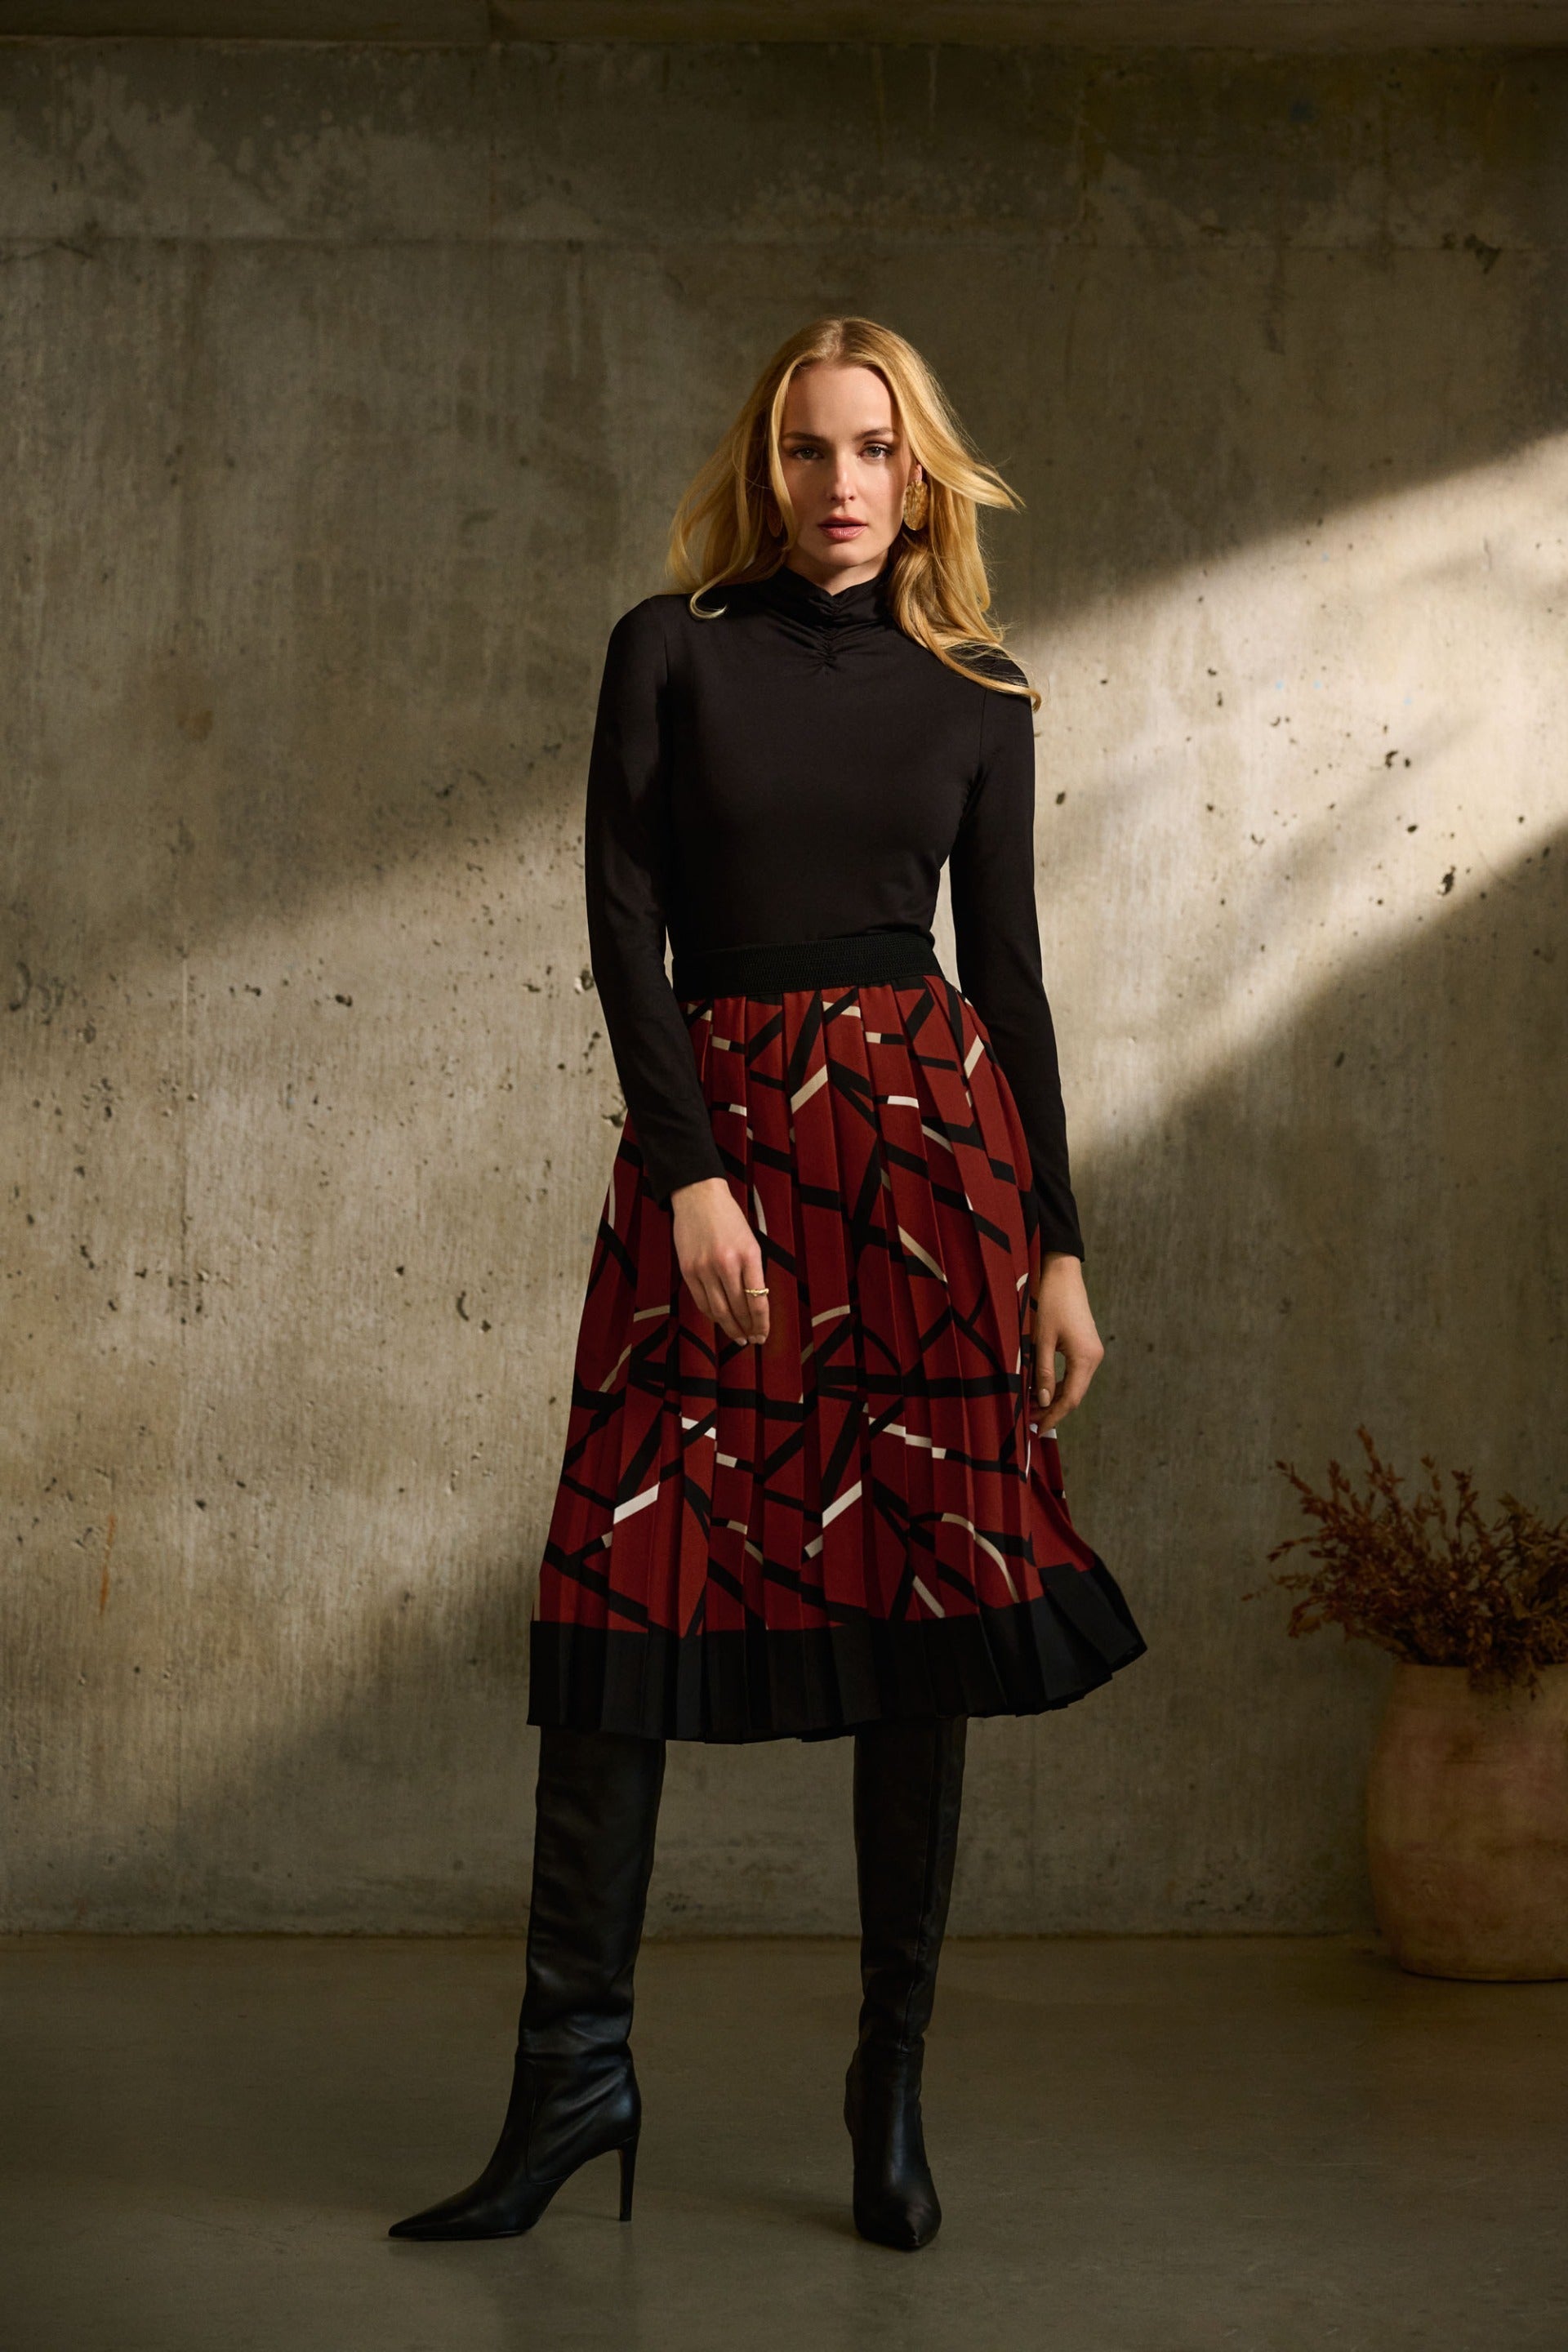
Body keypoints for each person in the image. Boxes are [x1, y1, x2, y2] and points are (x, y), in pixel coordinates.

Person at [389, 315, 1147, 2255]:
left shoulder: (980, 693)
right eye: (810, 449)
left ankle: (889, 2088)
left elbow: (1012, 976)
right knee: (623, 1580)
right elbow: (623, 918)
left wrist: (1058, 1241)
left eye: (873, 450)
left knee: (922, 1608)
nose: (840, 485)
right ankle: (573, 2077)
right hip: (722, 1156)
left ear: (919, 473)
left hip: (930, 1175)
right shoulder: (672, 649)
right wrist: (690, 1174)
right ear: (767, 465)